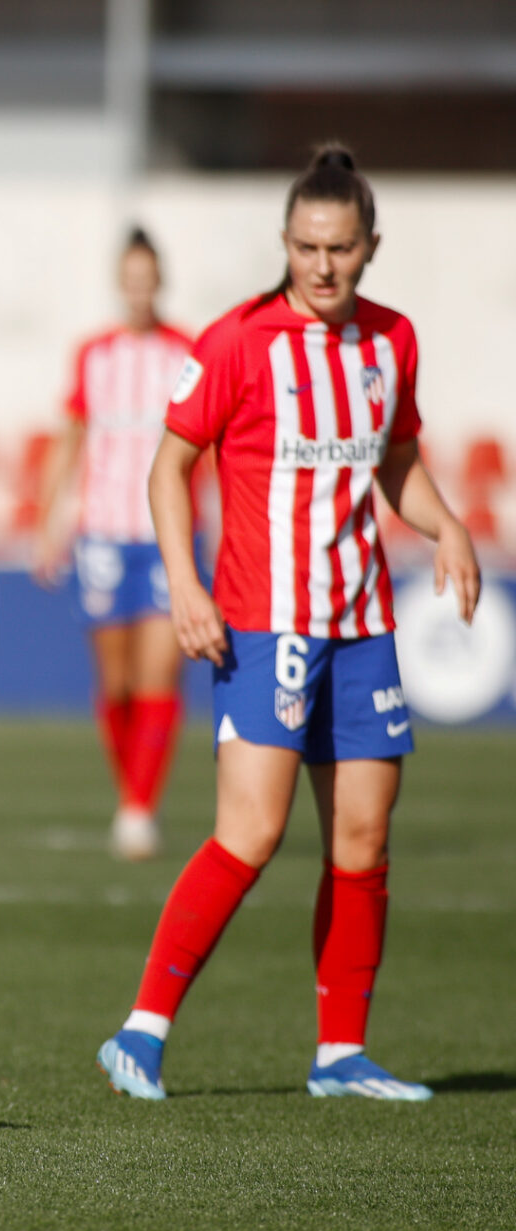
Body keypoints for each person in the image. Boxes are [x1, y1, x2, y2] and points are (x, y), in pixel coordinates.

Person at [96, 145, 479, 1102]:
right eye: (307, 247)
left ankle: (340, 1054)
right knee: (252, 833)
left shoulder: (392, 342)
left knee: (362, 838)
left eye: (341, 248)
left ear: (369, 246)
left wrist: (451, 527)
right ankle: (140, 1033)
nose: (322, 266)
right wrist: (185, 583)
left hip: (362, 623)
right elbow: (168, 467)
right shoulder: (236, 342)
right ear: (285, 242)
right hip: (266, 623)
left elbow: (396, 463)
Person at [35, 229, 194, 861]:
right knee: (118, 682)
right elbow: (69, 439)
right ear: (118, 284)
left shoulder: (187, 352)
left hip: (166, 535)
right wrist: (46, 522)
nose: (138, 290)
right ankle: (130, 792)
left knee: (160, 674)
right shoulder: (94, 355)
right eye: (129, 279)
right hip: (101, 532)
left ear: (160, 282)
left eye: (147, 278)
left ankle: (138, 809)